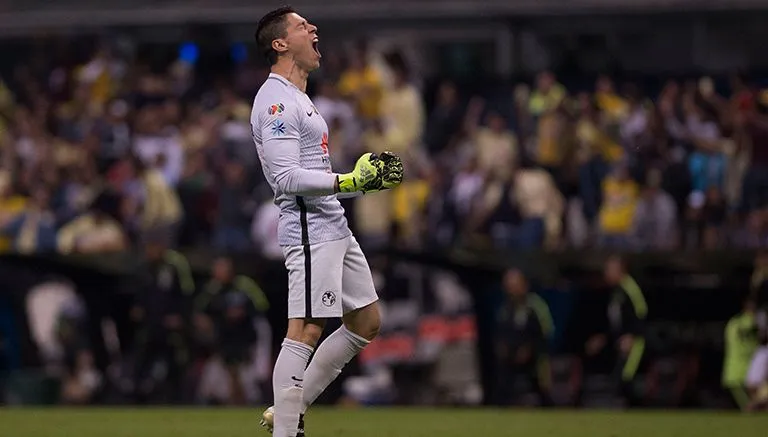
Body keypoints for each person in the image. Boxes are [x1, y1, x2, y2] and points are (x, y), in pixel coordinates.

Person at [251, 7, 404, 437]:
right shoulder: (277, 100)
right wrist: (349, 180)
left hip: (332, 223)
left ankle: (288, 405)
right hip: (308, 228)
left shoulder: (301, 98)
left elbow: (318, 173)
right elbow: (285, 179)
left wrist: (362, 185)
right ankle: (286, 429)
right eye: (302, 26)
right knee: (306, 328)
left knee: (366, 321)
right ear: (280, 44)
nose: (313, 28)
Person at [584, 255, 648, 405]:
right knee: (620, 380)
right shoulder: (617, 291)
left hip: (636, 343)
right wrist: (603, 338)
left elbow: (641, 312)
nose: (606, 273)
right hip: (621, 342)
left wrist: (632, 335)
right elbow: (616, 322)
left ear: (621, 270)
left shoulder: (631, 288)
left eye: (609, 269)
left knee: (626, 378)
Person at [496, 269, 554, 406]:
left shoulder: (536, 305)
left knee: (541, 389)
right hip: (510, 356)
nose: (511, 289)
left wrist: (529, 348)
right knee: (503, 386)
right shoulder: (506, 308)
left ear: (524, 285)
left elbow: (546, 331)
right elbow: (501, 330)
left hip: (535, 356)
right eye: (508, 286)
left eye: (514, 285)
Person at [722, 299, 759, 410]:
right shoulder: (750, 322)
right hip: (746, 363)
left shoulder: (733, 323)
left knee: (751, 394)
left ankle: (753, 407)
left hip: (742, 364)